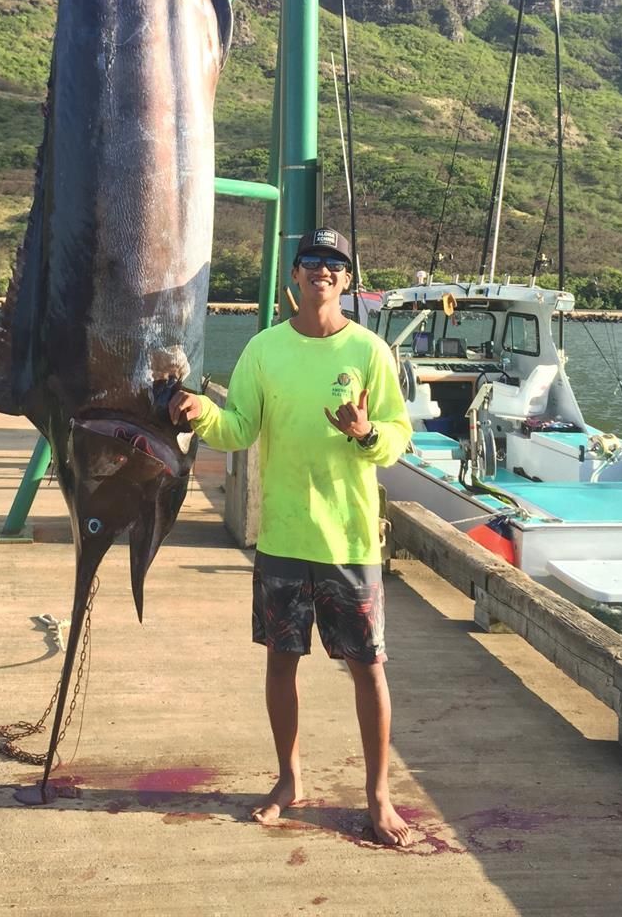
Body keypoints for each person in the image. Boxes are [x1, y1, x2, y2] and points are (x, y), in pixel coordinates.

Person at [169, 228, 414, 846]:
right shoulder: (263, 351)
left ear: (347, 280)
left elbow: (397, 437)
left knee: (369, 668)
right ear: (295, 277)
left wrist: (365, 433)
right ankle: (288, 780)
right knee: (282, 662)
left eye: (334, 264)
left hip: (350, 541)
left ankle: (379, 796)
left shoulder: (370, 352)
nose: (322, 272)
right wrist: (202, 415)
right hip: (281, 537)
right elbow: (239, 427)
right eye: (312, 262)